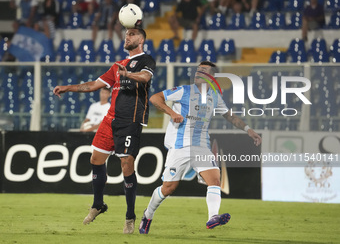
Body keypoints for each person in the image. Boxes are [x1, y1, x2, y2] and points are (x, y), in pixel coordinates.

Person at [139, 61, 262, 234]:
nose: (198, 73)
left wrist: (249, 130)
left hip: (202, 146)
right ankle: (148, 214)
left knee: (215, 180)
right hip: (181, 146)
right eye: (198, 70)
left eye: (203, 71)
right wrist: (172, 113)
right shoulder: (184, 91)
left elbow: (230, 116)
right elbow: (154, 98)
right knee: (168, 188)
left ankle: (213, 217)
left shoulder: (215, 96)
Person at [53, 27, 156, 234]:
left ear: (142, 39)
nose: (128, 37)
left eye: (132, 34)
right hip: (110, 119)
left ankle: (129, 217)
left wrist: (130, 75)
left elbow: (145, 77)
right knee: (95, 159)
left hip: (130, 120)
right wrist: (68, 87)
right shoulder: (117, 65)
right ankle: (98, 204)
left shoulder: (147, 60)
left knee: (126, 165)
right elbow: (94, 85)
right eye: (126, 34)